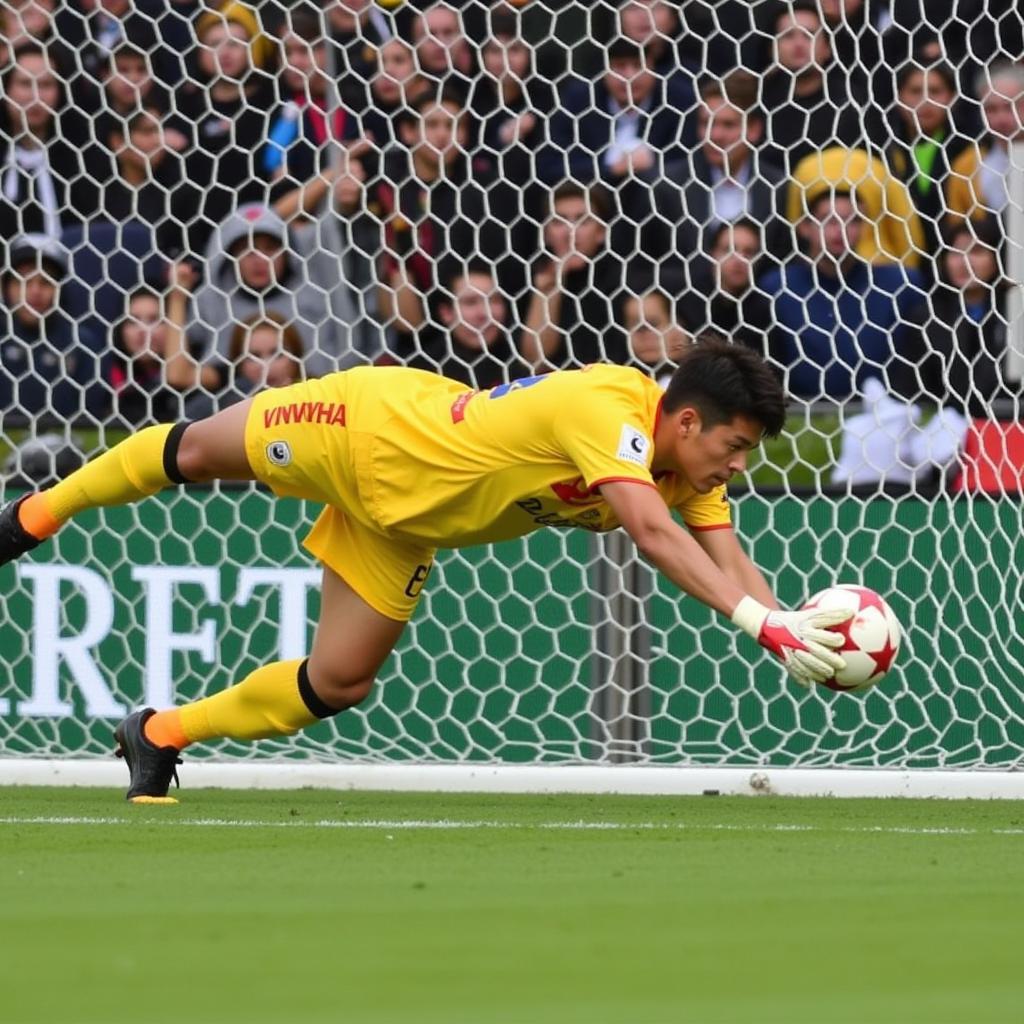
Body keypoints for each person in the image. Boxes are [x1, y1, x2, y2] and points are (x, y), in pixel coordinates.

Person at [0, 338, 853, 801]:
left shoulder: (688, 469)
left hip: (405, 527)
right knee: (191, 452)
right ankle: (28, 516)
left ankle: (157, 734)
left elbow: (725, 555)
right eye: (734, 447)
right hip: (365, 427)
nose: (737, 466)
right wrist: (758, 622)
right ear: (689, 419)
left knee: (336, 683)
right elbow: (650, 534)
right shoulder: (608, 407)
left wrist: (791, 635)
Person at [761, 188, 924, 401]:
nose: (839, 230)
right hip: (802, 415)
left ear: (865, 227)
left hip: (886, 415)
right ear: (805, 227)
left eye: (851, 221)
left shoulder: (898, 285)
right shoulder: (777, 287)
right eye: (828, 220)